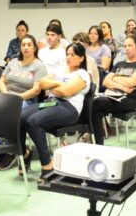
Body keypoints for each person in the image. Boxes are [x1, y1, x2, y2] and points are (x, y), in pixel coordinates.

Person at [20, 43, 91, 181]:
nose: (68, 57)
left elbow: (66, 92)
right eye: (67, 54)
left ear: (81, 58)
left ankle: (47, 164)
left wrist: (53, 86)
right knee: (21, 116)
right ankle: (24, 153)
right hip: (52, 102)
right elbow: (42, 83)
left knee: (33, 122)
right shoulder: (61, 69)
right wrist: (59, 85)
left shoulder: (83, 74)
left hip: (69, 108)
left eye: (72, 55)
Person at [0, 34, 48, 137]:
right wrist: (5, 94)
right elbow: (1, 81)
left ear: (34, 48)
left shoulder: (39, 66)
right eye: (23, 45)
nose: (26, 47)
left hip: (26, 100)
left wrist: (17, 98)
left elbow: (36, 90)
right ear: (20, 47)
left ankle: (4, 142)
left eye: (29, 45)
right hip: (6, 97)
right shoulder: (13, 62)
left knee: (4, 113)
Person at [92, 33, 136, 145]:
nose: (126, 48)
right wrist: (123, 86)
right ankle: (98, 144)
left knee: (96, 103)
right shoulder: (119, 64)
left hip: (130, 100)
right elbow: (105, 81)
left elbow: (132, 82)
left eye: (130, 45)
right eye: (125, 46)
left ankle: (94, 141)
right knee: (96, 109)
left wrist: (115, 78)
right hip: (113, 95)